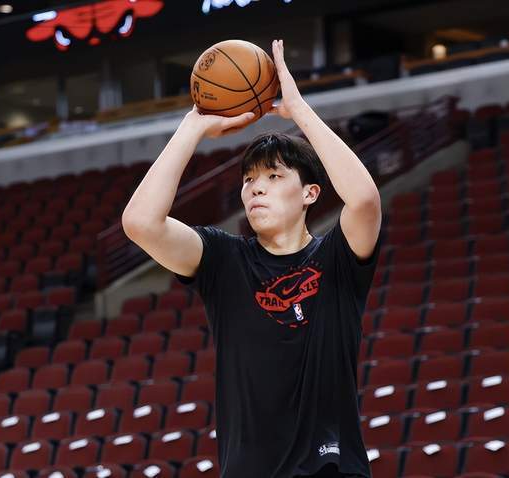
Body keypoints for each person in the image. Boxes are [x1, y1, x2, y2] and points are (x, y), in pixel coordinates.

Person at [122, 39, 382, 478]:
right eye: (248, 179)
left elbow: (365, 200)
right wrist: (192, 127)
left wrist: (299, 110)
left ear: (310, 194)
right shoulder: (224, 261)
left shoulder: (336, 258)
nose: (255, 187)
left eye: (274, 176)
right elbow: (140, 223)